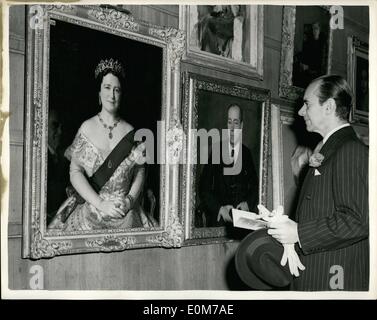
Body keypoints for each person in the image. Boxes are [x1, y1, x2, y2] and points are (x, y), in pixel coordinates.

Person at [267, 75, 369, 290]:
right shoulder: (329, 148)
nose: (300, 112)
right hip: (318, 272)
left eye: (307, 104)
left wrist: (298, 232)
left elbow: (356, 221)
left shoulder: (349, 150)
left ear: (329, 107)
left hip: (334, 277)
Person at [48, 58, 156, 231]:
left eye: (117, 90)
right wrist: (100, 203)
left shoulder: (131, 132)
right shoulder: (87, 127)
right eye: (107, 88)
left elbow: (140, 171)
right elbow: (75, 172)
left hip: (124, 211)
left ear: (122, 94)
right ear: (99, 92)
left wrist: (128, 201)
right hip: (91, 207)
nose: (111, 95)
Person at [198, 104, 258, 227]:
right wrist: (219, 208)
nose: (231, 128)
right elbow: (203, 188)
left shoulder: (246, 153)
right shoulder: (216, 150)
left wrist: (247, 203)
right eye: (229, 122)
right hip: (219, 220)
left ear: (241, 126)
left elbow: (255, 187)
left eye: (235, 123)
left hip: (242, 221)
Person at [46, 108, 69, 225]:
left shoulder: (62, 158)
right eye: (55, 125)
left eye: (61, 127)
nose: (60, 132)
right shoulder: (41, 159)